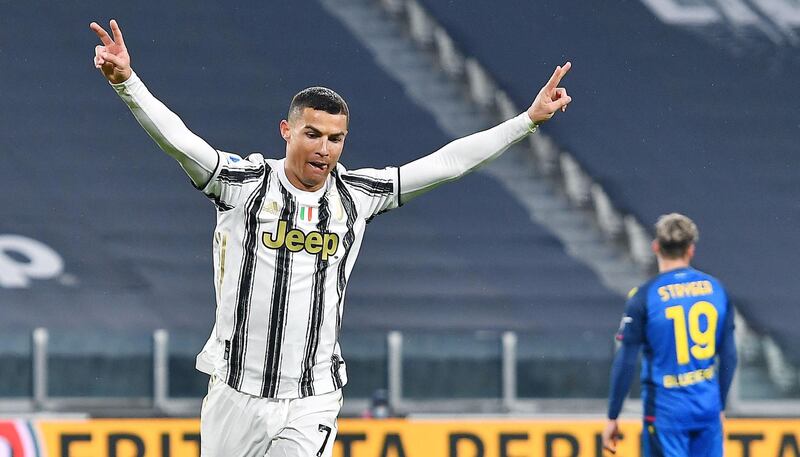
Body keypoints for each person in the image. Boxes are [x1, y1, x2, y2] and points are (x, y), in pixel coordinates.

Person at [90, 18, 572, 457]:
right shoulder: (243, 185)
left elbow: (447, 163)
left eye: (335, 138)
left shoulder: (357, 196)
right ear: (286, 131)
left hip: (312, 396)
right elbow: (179, 140)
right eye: (313, 134)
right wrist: (127, 83)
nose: (324, 149)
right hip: (236, 391)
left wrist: (526, 121)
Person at [602, 213, 737, 456]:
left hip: (666, 412)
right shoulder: (716, 290)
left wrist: (613, 415)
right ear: (691, 249)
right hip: (706, 408)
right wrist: (719, 405)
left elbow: (627, 361)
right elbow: (729, 356)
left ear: (655, 247)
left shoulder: (645, 297)